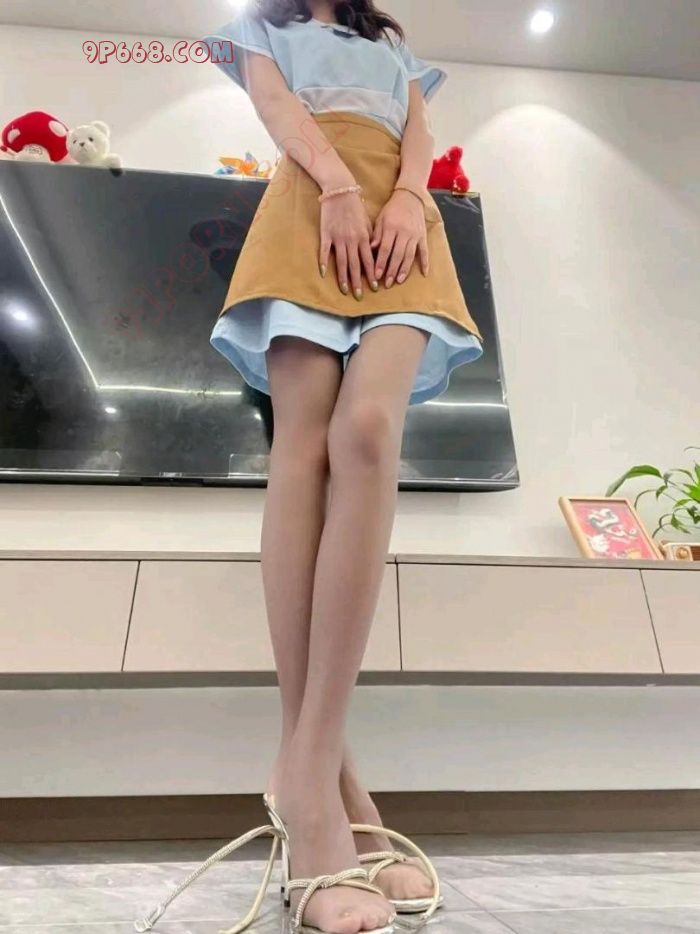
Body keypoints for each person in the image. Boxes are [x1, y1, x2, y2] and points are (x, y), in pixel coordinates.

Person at [136, 2, 483, 933]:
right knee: (302, 443)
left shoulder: (390, 45)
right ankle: (335, 799)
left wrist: (408, 199)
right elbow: (279, 113)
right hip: (309, 207)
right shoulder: (260, 28)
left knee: (368, 429)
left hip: (403, 225)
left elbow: (418, 134)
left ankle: (304, 771)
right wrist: (334, 185)